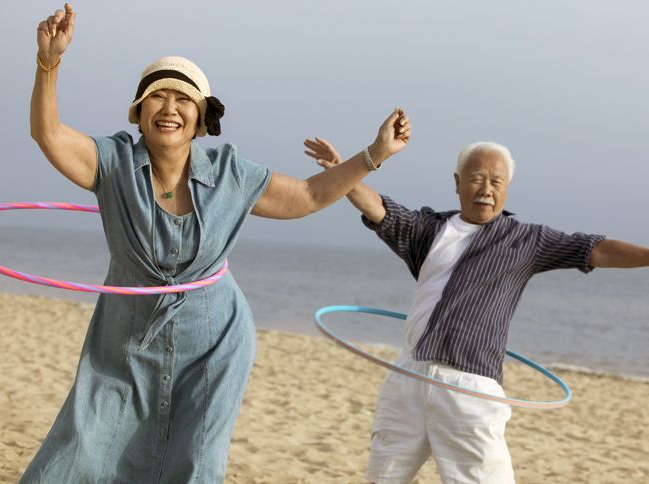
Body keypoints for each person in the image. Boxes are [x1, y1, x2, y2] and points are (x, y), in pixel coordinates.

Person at [22, 4, 411, 483]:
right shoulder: (113, 163)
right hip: (123, 343)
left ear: (201, 116)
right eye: (157, 97)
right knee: (79, 450)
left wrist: (375, 153)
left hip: (214, 345)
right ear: (139, 110)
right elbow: (48, 133)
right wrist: (49, 61)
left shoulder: (230, 174)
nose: (169, 109)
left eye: (182, 99)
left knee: (196, 463)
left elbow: (309, 195)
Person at [304, 137, 649, 484]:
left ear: (507, 188)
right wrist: (345, 170)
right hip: (408, 377)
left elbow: (595, 248)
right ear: (457, 183)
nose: (486, 188)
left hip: (470, 389)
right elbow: (376, 205)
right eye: (477, 178)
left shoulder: (527, 241)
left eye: (496, 181)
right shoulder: (426, 230)